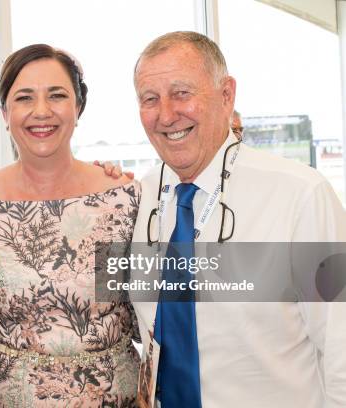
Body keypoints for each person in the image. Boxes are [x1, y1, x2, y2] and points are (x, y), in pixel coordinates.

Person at [131, 31, 346, 407]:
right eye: (150, 99)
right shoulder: (136, 200)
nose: (166, 114)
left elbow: (340, 342)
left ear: (226, 95)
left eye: (182, 93)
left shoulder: (300, 194)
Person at [0, 44, 141, 406]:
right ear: (5, 112)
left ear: (78, 107)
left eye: (57, 95)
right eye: (24, 98)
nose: (41, 111)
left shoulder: (124, 199)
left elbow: (152, 312)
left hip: (115, 397)